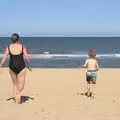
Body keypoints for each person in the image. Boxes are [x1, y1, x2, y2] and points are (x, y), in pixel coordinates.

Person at [0, 33, 31, 104]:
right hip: (16, 67)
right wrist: (29, 65)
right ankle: (18, 98)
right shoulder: (21, 46)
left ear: (11, 39)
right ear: (18, 39)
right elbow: (26, 56)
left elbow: (4, 57)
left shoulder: (10, 47)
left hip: (16, 67)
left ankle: (17, 96)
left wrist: (1, 65)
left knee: (17, 85)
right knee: (17, 85)